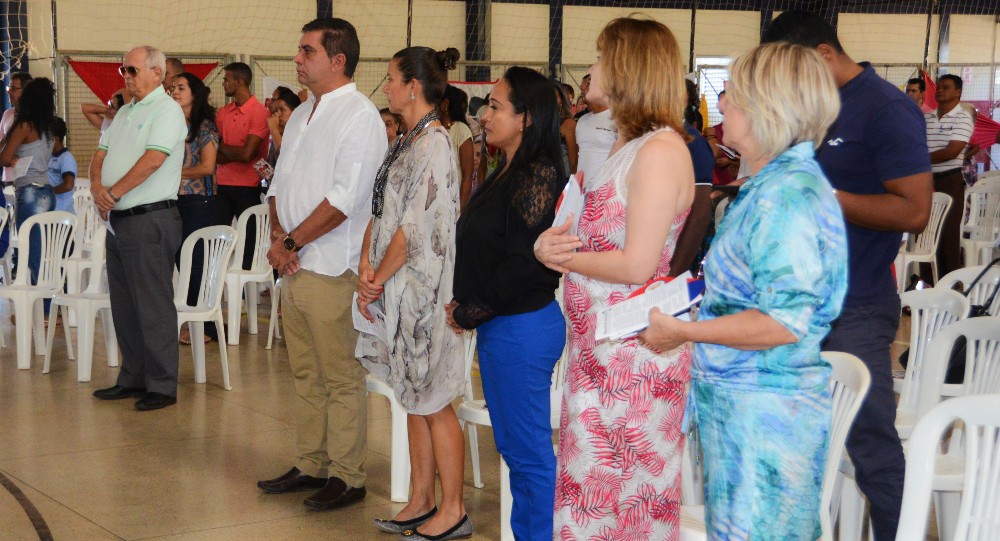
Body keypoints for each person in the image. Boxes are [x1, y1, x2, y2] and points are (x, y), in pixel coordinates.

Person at [641, 41, 847, 539]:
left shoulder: (787, 197)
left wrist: (685, 334)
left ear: (766, 108)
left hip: (765, 415)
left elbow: (782, 321)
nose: (724, 103)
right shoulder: (768, 185)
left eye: (733, 93)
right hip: (744, 409)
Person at [762, 11, 933, 541]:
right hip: (795, 301)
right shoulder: (810, 108)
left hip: (853, 303)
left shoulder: (886, 109)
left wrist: (824, 197)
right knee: (788, 443)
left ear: (822, 55)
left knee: (871, 444)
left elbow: (913, 211)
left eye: (789, 72)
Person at [534, 17, 694, 539]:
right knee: (593, 506)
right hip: (601, 359)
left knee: (623, 510)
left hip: (632, 369)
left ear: (628, 68)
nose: (590, 68)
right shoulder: (630, 147)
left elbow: (636, 265)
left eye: (600, 57)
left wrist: (559, 257)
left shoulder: (660, 151)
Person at [257, 17, 386, 511]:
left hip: (332, 265)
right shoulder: (302, 113)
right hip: (294, 261)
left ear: (337, 60)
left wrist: (290, 242)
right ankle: (311, 462)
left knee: (339, 377)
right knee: (305, 373)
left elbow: (345, 199)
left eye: (306, 50)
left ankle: (349, 476)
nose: (297, 58)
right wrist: (277, 233)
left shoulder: (358, 116)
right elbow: (279, 182)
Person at [448, 66, 566, 541]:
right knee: (516, 451)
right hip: (503, 325)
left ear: (526, 117)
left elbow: (526, 263)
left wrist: (468, 310)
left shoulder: (539, 172)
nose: (485, 113)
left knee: (529, 454)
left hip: (520, 325)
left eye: (496, 105)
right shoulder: (509, 167)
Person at [358, 46, 470, 541]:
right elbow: (381, 211)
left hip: (424, 290)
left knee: (436, 398)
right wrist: (367, 264)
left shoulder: (435, 145)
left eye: (390, 79)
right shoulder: (406, 139)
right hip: (396, 286)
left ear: (413, 86)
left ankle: (454, 508)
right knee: (412, 395)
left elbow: (415, 229)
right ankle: (421, 498)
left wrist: (379, 275)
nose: (385, 88)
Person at [89, 46, 187, 411]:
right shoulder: (124, 113)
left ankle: (162, 384)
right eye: (123, 70)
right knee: (125, 304)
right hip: (119, 220)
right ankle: (132, 377)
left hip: (150, 219)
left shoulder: (167, 111)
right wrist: (98, 190)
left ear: (157, 73)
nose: (125, 76)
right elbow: (99, 155)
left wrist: (111, 193)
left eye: (132, 69)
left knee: (153, 304)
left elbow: (153, 160)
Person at [170, 72, 223, 344]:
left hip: (199, 202)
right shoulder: (174, 124)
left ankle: (206, 327)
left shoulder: (205, 127)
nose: (174, 92)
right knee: (182, 261)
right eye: (172, 88)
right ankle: (190, 321)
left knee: (198, 263)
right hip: (176, 200)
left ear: (195, 93)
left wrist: (171, 173)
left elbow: (207, 167)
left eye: (181, 88)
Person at [0, 77, 57, 314]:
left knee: (31, 252)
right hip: (46, 190)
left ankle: (39, 310)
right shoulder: (49, 126)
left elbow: (3, 158)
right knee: (43, 251)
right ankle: (45, 307)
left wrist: (10, 153)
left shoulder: (24, 125)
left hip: (30, 193)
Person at [216, 61, 269, 271]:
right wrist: (235, 152)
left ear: (239, 82)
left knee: (249, 240)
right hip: (222, 183)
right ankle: (216, 284)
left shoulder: (259, 112)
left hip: (248, 185)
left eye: (226, 80)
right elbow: (216, 154)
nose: (223, 84)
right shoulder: (223, 113)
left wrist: (223, 148)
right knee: (218, 238)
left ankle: (247, 291)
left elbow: (248, 154)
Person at [926, 74, 971, 280]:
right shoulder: (927, 118)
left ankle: (950, 284)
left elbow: (952, 151)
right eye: (939, 87)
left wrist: (921, 159)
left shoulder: (963, 117)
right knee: (926, 232)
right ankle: (925, 284)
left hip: (949, 180)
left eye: (946, 87)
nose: (940, 90)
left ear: (958, 92)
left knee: (947, 234)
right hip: (926, 180)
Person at [669, 122, 714, 276]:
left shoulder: (690, 140)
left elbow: (699, 215)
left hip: (664, 265)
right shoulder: (634, 135)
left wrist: (673, 273)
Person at [574, 77, 616, 183]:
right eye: (582, 85)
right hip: (581, 192)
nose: (582, 87)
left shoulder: (617, 119)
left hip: (606, 192)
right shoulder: (582, 121)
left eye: (588, 84)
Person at [439, 85, 474, 208]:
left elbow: (467, 176)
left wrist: (459, 212)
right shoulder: (432, 129)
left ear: (445, 104)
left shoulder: (460, 130)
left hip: (452, 204)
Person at [703, 91, 741, 185]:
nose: (723, 105)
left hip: (742, 180)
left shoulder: (746, 129)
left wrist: (730, 161)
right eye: (720, 101)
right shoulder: (713, 130)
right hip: (719, 180)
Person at [2, 72, 32, 184]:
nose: (9, 91)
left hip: (29, 179)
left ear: (26, 91)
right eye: (9, 87)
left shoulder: (35, 117)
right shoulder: (7, 114)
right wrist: (9, 156)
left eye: (14, 88)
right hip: (8, 178)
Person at [264, 86, 301, 169]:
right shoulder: (278, 131)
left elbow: (284, 160)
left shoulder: (298, 133)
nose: (278, 114)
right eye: (277, 110)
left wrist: (274, 130)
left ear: (295, 111)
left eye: (282, 110)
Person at [47, 116, 77, 214]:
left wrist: (48, 192)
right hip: (50, 210)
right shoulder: (48, 156)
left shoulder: (66, 158)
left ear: (55, 139)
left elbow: (68, 185)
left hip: (62, 213)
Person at [554, 82, 578, 173]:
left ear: (562, 100)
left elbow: (573, 160)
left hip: (563, 178)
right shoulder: (538, 122)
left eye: (555, 97)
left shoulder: (568, 124)